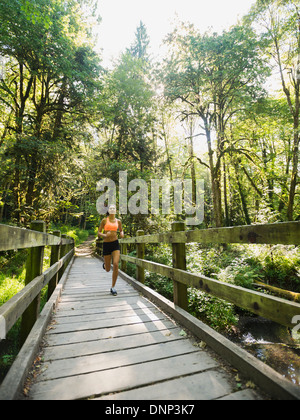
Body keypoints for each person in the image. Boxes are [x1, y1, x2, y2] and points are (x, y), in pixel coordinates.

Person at [98, 204, 124, 296]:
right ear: (108, 210)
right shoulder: (104, 220)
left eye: (114, 208)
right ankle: (106, 265)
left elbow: (120, 230)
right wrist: (105, 235)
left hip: (115, 244)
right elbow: (99, 233)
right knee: (108, 269)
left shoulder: (118, 221)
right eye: (111, 208)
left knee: (116, 264)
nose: (112, 210)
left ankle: (113, 287)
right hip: (106, 244)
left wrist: (121, 234)